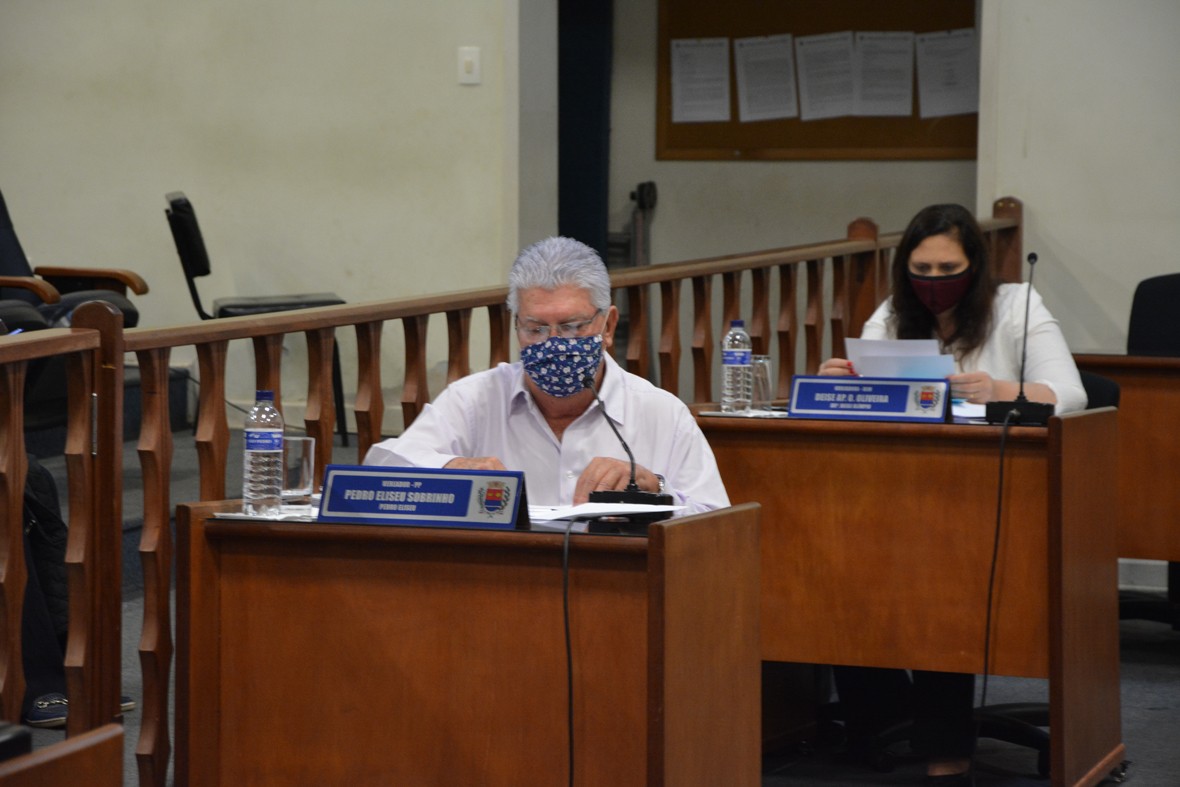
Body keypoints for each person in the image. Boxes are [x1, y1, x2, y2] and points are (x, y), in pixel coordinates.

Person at [818, 203, 1086, 785]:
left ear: (975, 266)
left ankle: (944, 745)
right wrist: (839, 383)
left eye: (948, 269)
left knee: (941, 575)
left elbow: (1073, 393)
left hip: (998, 498)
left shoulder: (1017, 305)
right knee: (838, 566)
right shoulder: (894, 312)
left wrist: (1000, 389)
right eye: (922, 269)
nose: (934, 282)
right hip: (902, 491)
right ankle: (884, 723)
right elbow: (872, 402)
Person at [364, 236, 730, 514]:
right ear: (516, 326)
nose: (553, 343)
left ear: (607, 325)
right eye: (535, 329)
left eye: (571, 326)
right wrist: (453, 465)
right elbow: (379, 468)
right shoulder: (475, 399)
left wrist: (656, 489)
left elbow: (714, 521)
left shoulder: (661, 412)